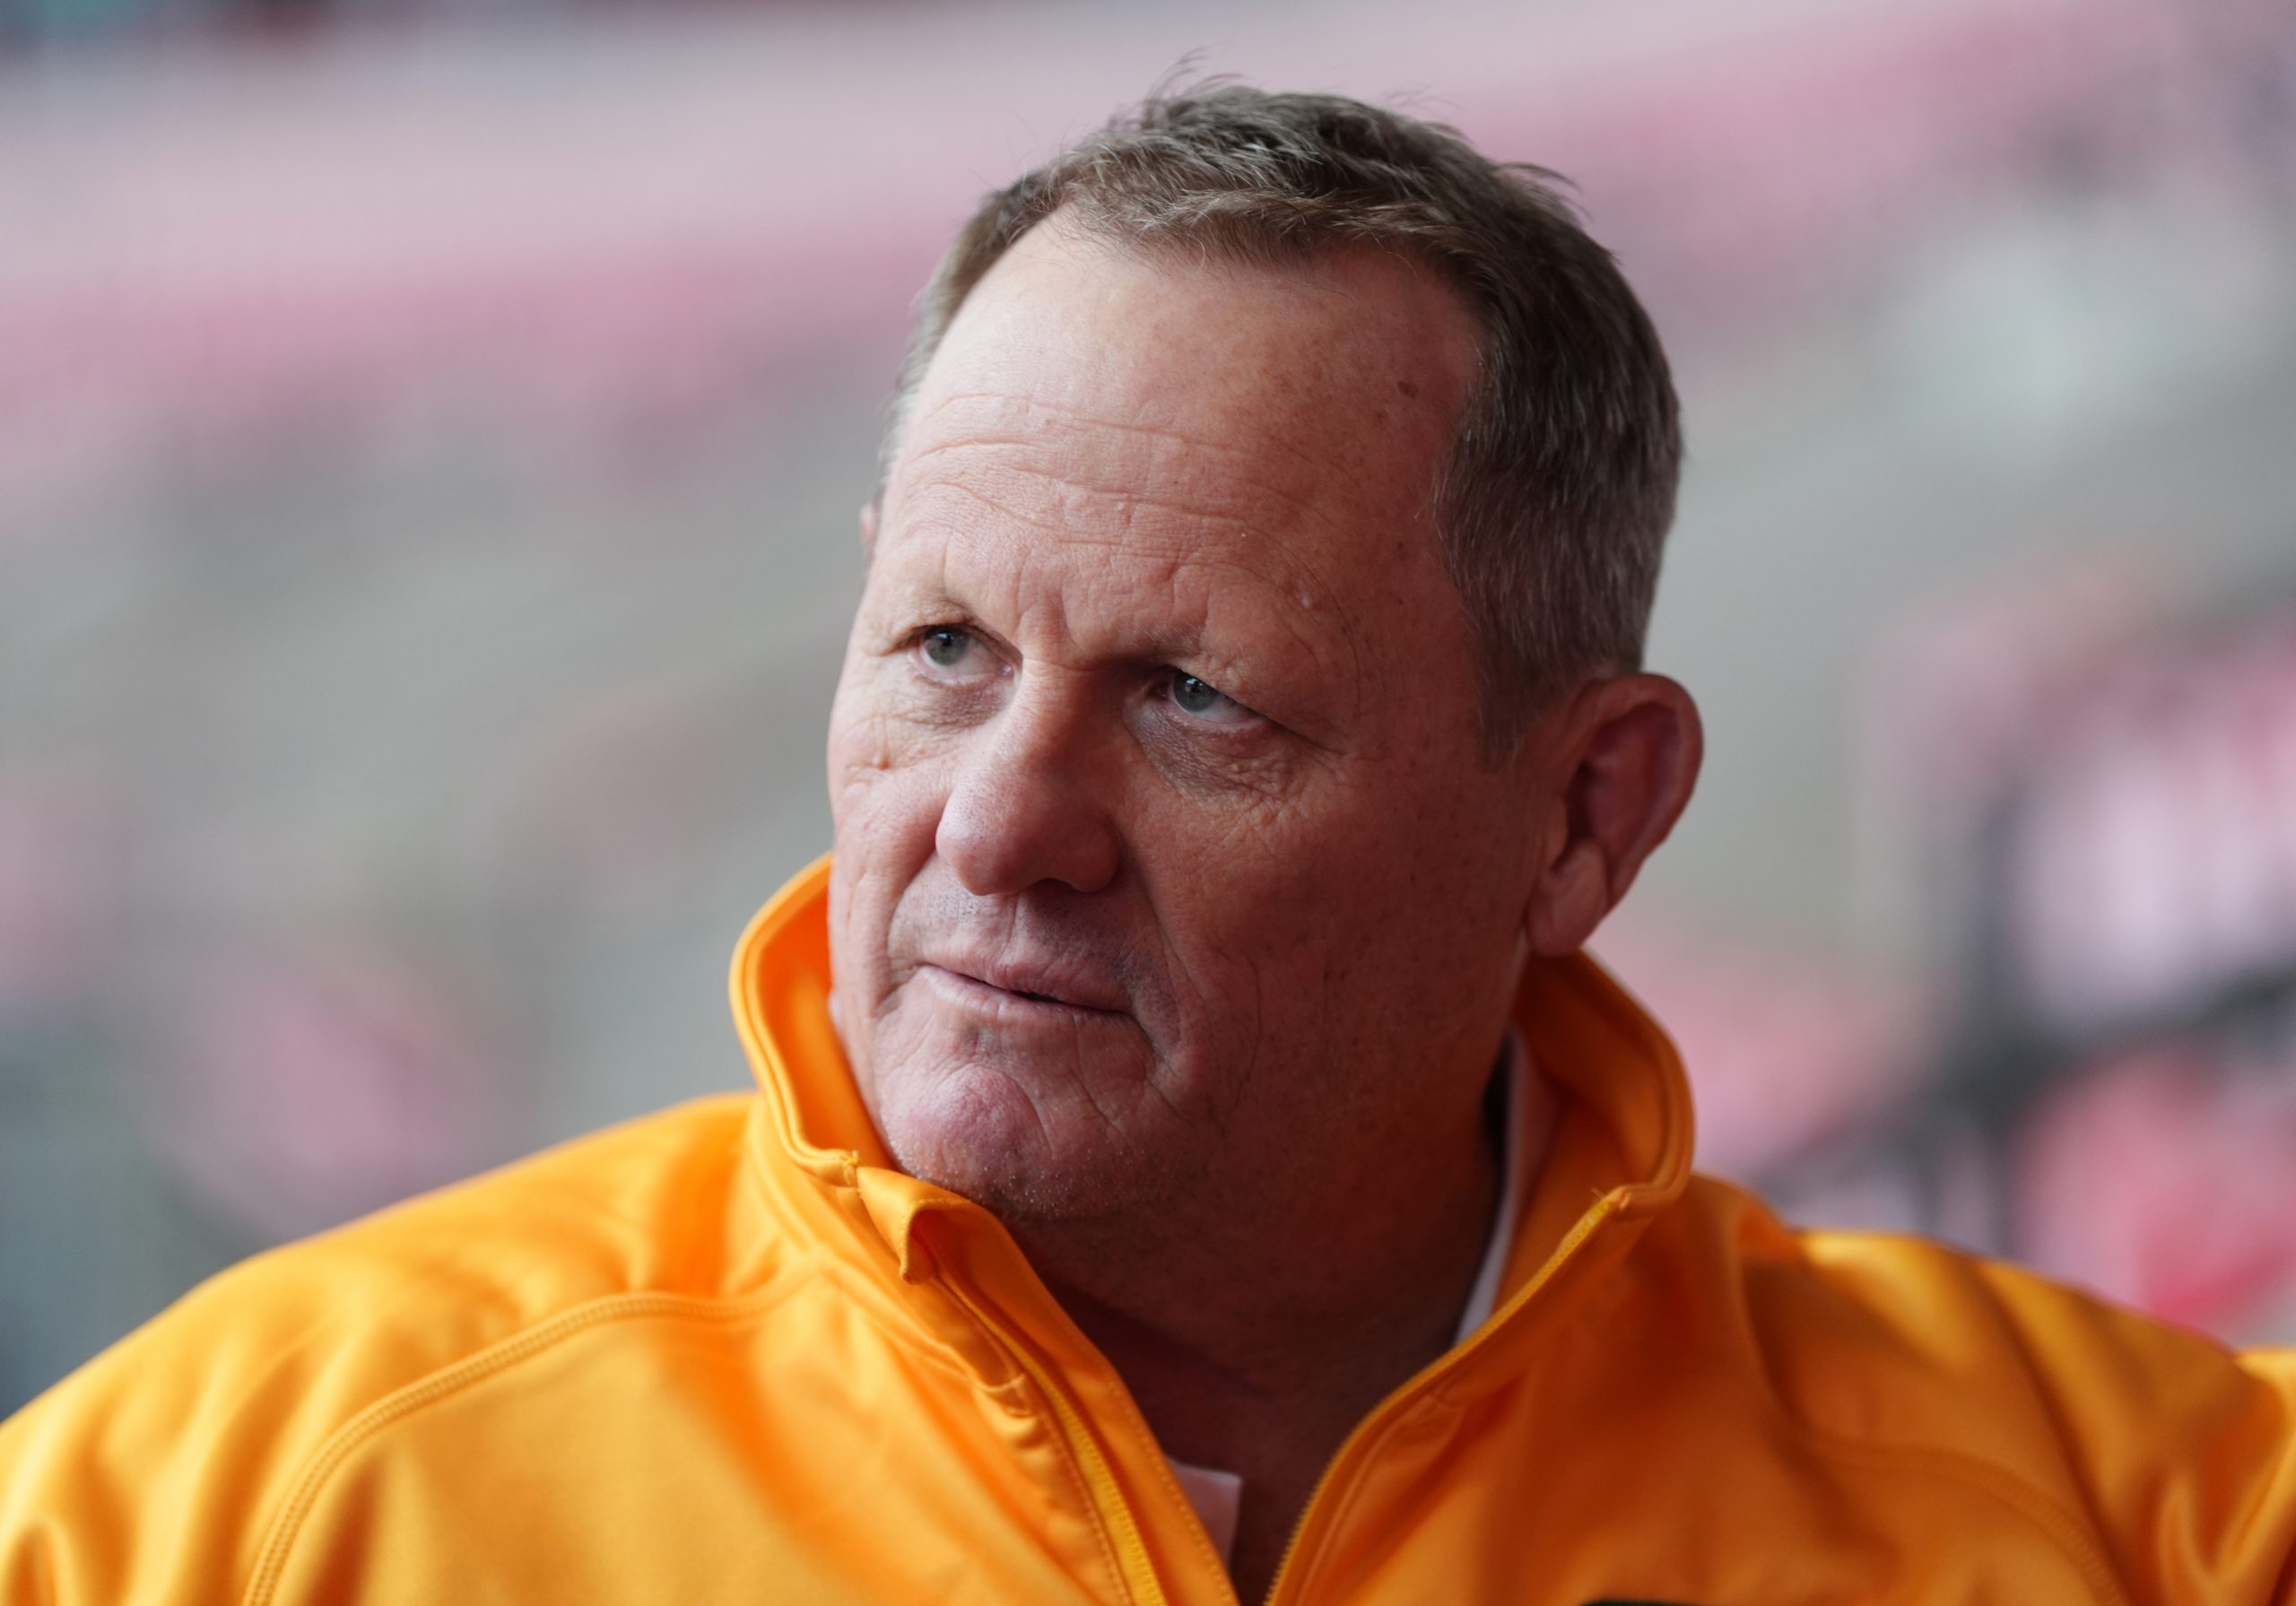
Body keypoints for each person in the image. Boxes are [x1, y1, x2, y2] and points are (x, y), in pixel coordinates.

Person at [4, 82, 2293, 1606]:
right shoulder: (230, 1504)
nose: (998, 818)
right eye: (940, 648)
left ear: (1586, 809)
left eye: (1195, 696)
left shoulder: (2138, 1530)